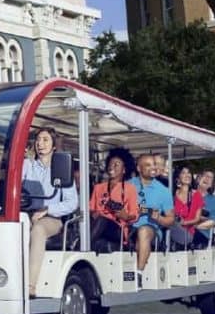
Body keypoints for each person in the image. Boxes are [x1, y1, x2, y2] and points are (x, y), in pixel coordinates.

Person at [22, 127, 78, 297]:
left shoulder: (61, 167)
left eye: (45, 140)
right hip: (25, 214)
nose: (40, 144)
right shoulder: (27, 164)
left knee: (38, 229)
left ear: (54, 145)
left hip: (51, 218)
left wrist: (48, 210)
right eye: (38, 140)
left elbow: (72, 203)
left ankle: (30, 286)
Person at [129, 154, 176, 285]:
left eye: (154, 164)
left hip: (151, 229)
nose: (153, 168)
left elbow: (171, 219)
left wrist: (159, 218)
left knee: (143, 231)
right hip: (128, 225)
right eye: (148, 165)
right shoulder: (128, 185)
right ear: (139, 168)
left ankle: (138, 275)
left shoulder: (163, 191)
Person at [89, 149, 138, 253]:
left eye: (117, 164)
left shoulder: (130, 189)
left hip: (117, 229)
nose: (112, 166)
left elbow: (134, 215)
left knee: (103, 220)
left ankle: (81, 247)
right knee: (99, 220)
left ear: (124, 170)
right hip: (98, 227)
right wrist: (94, 213)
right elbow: (91, 209)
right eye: (110, 163)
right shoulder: (98, 188)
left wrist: (125, 216)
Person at [171, 166, 205, 249]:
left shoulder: (196, 195)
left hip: (187, 233)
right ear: (177, 178)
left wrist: (183, 223)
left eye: (189, 172)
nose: (187, 175)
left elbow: (197, 219)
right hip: (171, 228)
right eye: (183, 173)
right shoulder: (172, 194)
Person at [194, 170, 215, 245]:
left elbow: (214, 221)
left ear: (212, 184)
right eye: (205, 175)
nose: (207, 178)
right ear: (199, 179)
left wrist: (196, 227)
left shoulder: (213, 200)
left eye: (210, 177)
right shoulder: (189, 194)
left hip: (201, 234)